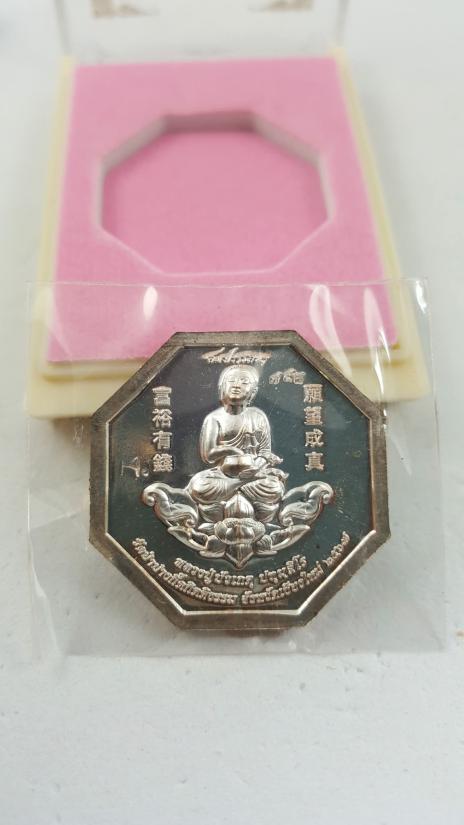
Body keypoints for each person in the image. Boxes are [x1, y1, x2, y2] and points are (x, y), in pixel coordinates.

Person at [187, 365, 286, 523]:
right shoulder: (214, 418)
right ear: (222, 388)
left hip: (253, 474)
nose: (236, 385)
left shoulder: (258, 416)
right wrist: (231, 450)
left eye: (244, 382)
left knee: (274, 488)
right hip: (222, 474)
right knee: (199, 486)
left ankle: (236, 486)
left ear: (253, 392)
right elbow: (208, 455)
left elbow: (265, 452)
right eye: (231, 381)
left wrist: (255, 468)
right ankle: (240, 485)